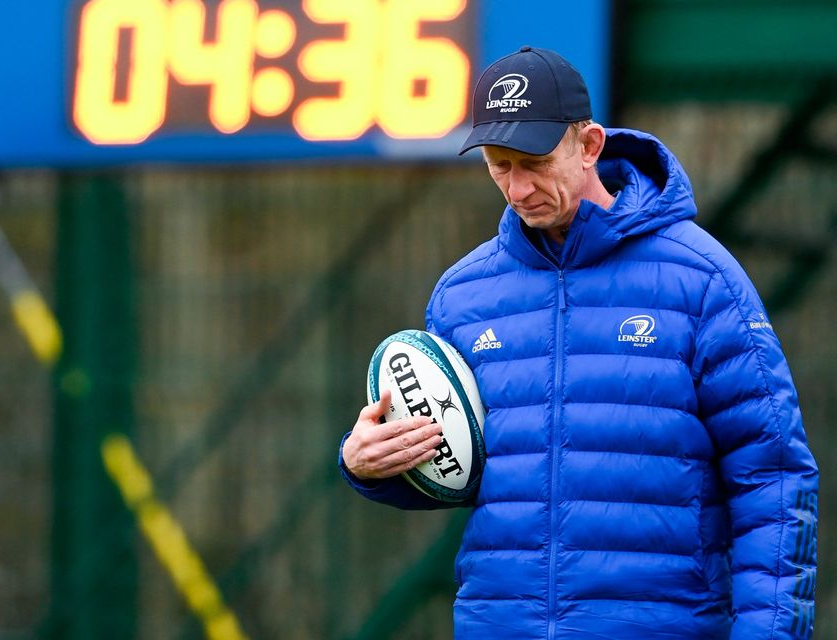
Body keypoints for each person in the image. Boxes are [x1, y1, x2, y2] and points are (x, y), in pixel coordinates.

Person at [339, 46, 818, 639]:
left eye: (533, 161)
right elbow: (465, 473)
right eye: (498, 165)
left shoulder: (702, 280)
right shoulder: (462, 296)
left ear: (589, 145)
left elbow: (771, 480)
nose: (517, 188)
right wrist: (369, 464)